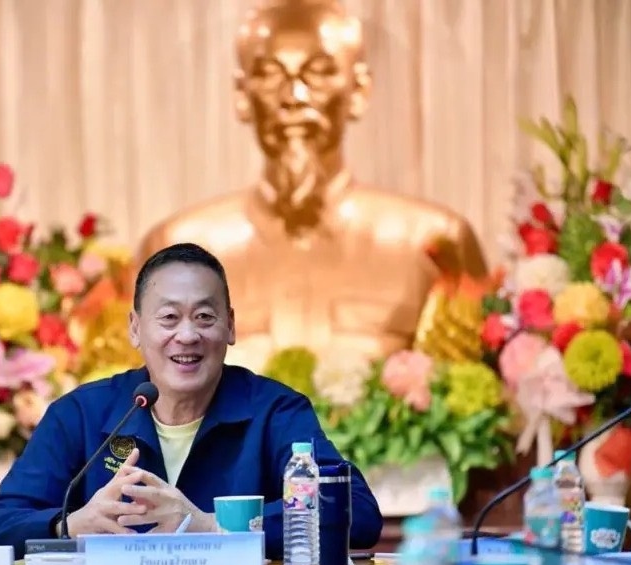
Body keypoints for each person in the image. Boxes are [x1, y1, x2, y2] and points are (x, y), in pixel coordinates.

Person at [0, 243, 382, 562]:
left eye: (204, 317)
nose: (187, 336)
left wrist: (211, 527)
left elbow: (357, 513)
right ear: (135, 328)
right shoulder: (81, 415)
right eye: (168, 318)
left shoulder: (274, 411)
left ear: (231, 326)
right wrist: (71, 525)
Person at [134, 0, 487, 367]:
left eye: (318, 73)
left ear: (359, 91)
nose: (293, 97)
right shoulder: (173, 249)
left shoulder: (431, 245)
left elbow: (481, 399)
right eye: (270, 74)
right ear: (242, 95)